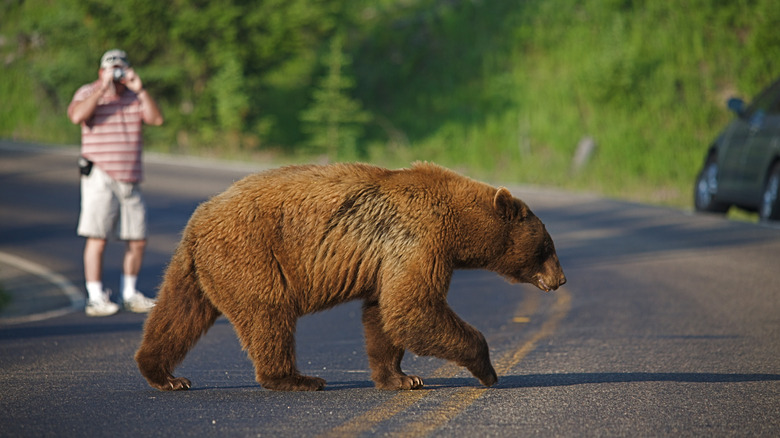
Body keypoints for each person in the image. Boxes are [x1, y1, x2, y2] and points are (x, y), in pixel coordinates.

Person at [67, 49, 164, 316]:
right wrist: (102, 89)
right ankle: (95, 296)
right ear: (101, 71)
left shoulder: (134, 96)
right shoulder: (88, 92)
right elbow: (76, 117)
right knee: (98, 237)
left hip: (130, 177)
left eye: (121, 68)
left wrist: (141, 89)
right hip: (100, 175)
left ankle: (129, 292)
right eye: (112, 69)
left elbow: (156, 119)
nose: (117, 74)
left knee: (138, 238)